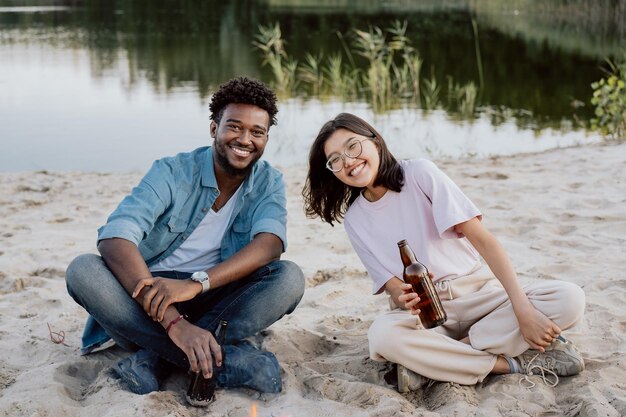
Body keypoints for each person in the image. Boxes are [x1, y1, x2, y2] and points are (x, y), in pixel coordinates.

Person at [302, 112, 585, 391]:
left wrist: (523, 311)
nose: (348, 161)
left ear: (375, 141)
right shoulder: (355, 220)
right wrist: (405, 298)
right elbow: (393, 289)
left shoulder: (418, 174)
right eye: (335, 160)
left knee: (569, 298)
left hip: (481, 298)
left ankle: (439, 361)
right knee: (382, 337)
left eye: (352, 146)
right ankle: (506, 363)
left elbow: (485, 242)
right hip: (429, 318)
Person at [65, 76, 305, 404]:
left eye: (257, 132)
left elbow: (270, 245)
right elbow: (116, 237)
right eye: (234, 127)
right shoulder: (172, 171)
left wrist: (198, 284)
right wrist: (174, 321)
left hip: (217, 298)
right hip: (148, 297)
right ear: (213, 129)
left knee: (289, 277)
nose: (245, 139)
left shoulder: (268, 181)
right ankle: (221, 360)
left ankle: (154, 360)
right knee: (83, 271)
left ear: (266, 137)